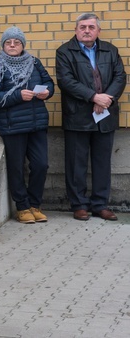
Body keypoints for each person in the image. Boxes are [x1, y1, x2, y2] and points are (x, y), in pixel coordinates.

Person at [56, 13, 126, 222]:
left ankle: (100, 205)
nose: (87, 31)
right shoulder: (64, 52)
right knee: (76, 164)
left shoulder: (110, 50)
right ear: (76, 30)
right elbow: (66, 81)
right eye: (83, 27)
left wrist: (106, 100)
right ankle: (78, 205)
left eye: (91, 27)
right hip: (77, 116)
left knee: (102, 162)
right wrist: (94, 97)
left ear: (98, 30)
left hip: (105, 115)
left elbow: (120, 76)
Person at [0, 27, 53, 224]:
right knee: (16, 168)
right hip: (12, 126)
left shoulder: (34, 62)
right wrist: (17, 95)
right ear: (3, 45)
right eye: (8, 42)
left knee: (41, 165)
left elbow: (49, 82)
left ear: (23, 44)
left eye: (16, 42)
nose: (12, 45)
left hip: (37, 123)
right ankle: (22, 208)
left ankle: (34, 205)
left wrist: (47, 91)